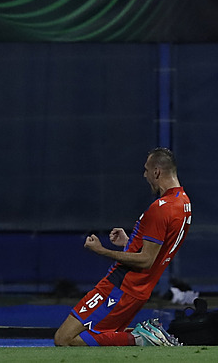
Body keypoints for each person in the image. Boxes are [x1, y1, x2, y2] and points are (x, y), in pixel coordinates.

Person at [54, 148, 192, 346]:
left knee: (64, 339)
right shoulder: (184, 203)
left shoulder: (161, 208)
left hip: (122, 286)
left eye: (146, 170)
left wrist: (102, 251)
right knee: (101, 340)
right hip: (137, 289)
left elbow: (146, 259)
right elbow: (159, 251)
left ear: (157, 172)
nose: (144, 175)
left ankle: (142, 338)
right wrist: (129, 243)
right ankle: (145, 335)